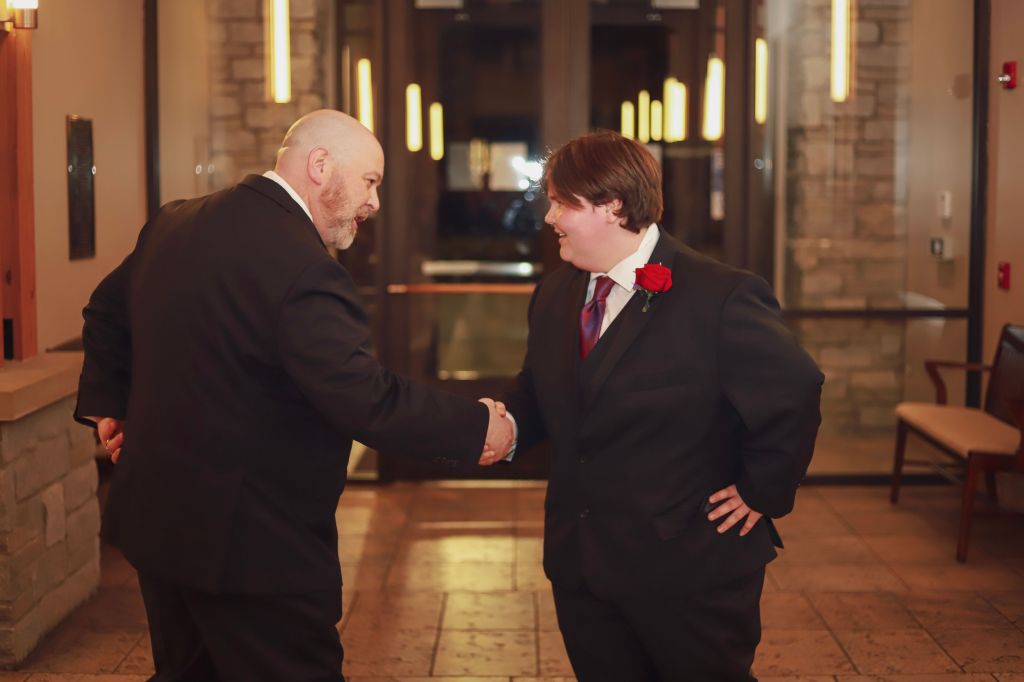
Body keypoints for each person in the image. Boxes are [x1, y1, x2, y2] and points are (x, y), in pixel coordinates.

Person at [75, 110, 514, 682]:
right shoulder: (305, 269)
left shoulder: (175, 222)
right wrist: (477, 427)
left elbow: (104, 312)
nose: (374, 203)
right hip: (254, 548)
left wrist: (113, 406)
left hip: (161, 527)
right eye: (370, 182)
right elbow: (365, 397)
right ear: (320, 165)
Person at [496, 130, 824, 681]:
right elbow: (539, 387)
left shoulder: (721, 296)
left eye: (560, 203)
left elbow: (796, 389)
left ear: (612, 205)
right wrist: (501, 424)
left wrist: (761, 490)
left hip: (689, 571)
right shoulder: (554, 294)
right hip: (581, 566)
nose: (549, 218)